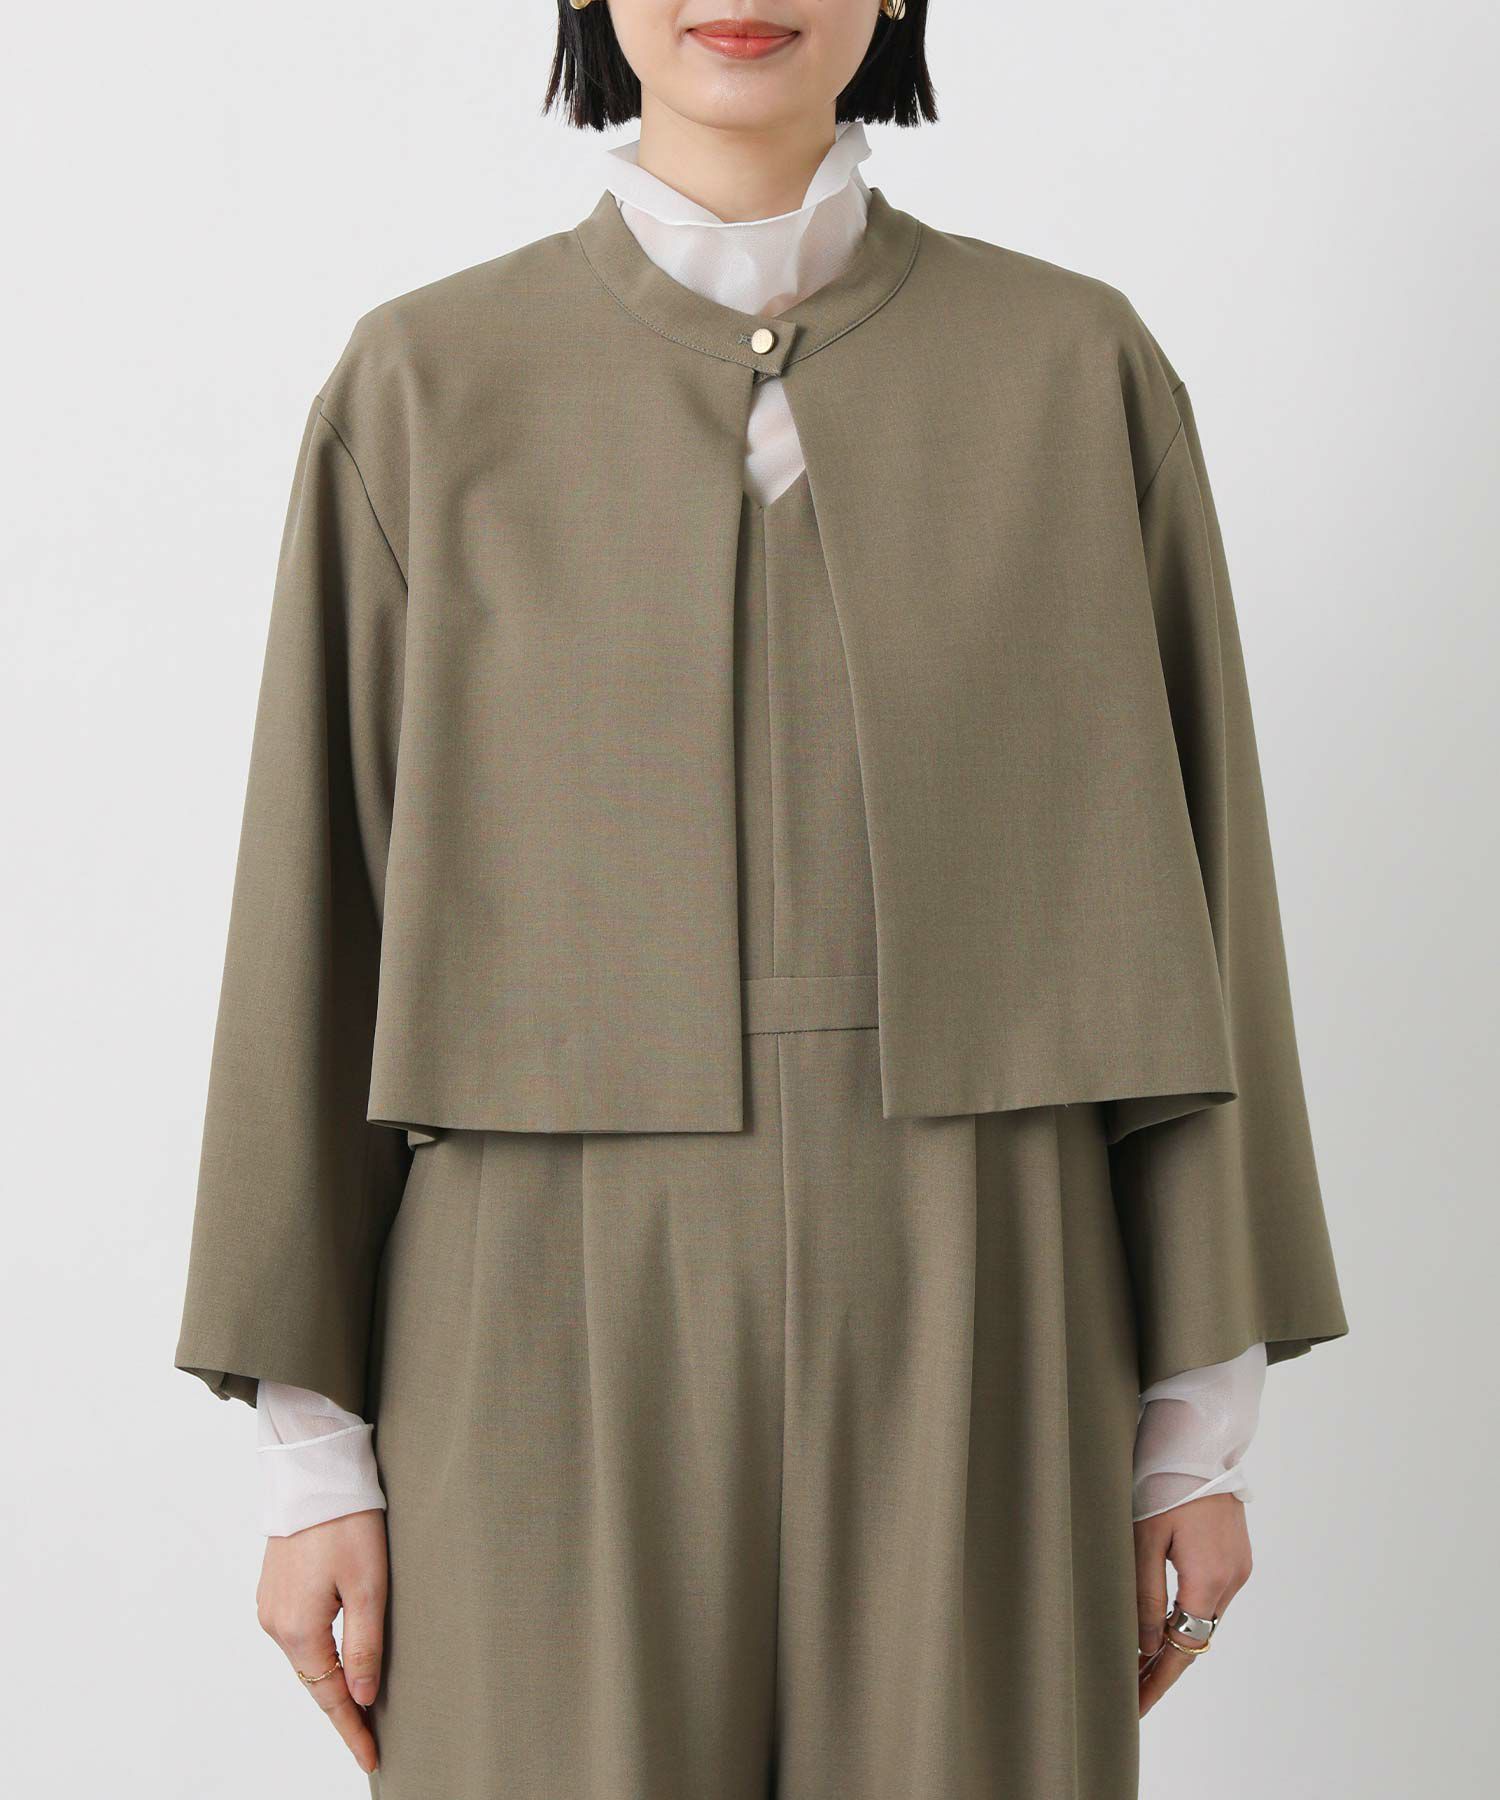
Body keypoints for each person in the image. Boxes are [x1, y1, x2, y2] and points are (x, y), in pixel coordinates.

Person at [174, 5, 1348, 1795]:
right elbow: (311, 928)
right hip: (536, 1317)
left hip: (989, 1296)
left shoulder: (1077, 371)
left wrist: (1195, 1433)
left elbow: (1205, 900)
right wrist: (315, 1462)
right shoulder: (421, 386)